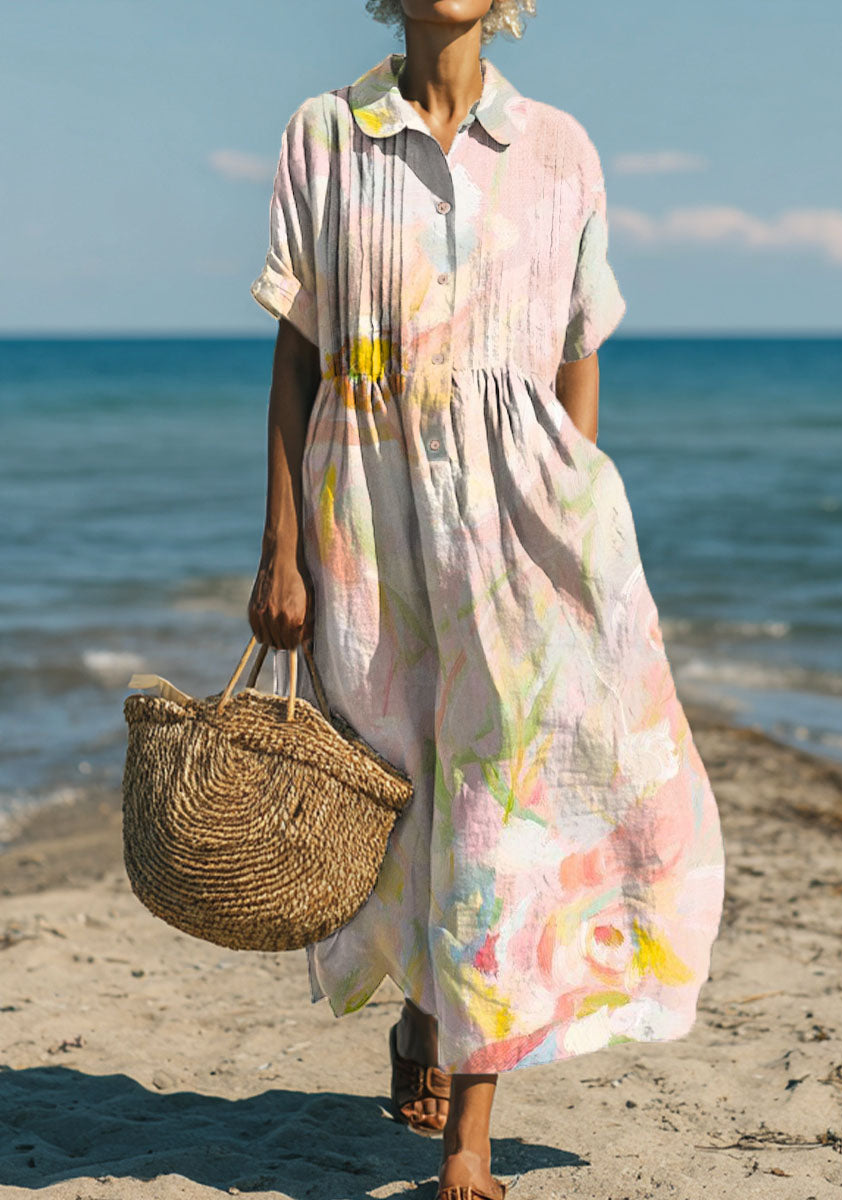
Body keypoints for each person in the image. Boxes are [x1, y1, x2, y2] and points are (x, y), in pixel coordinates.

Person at [247, 3, 726, 1198]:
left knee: (497, 802)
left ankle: (470, 1131)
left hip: (522, 520)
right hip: (367, 508)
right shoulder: (326, 133)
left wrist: (568, 517)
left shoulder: (559, 148)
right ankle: (429, 1011)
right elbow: (299, 354)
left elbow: (579, 344)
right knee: (403, 789)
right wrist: (281, 548)